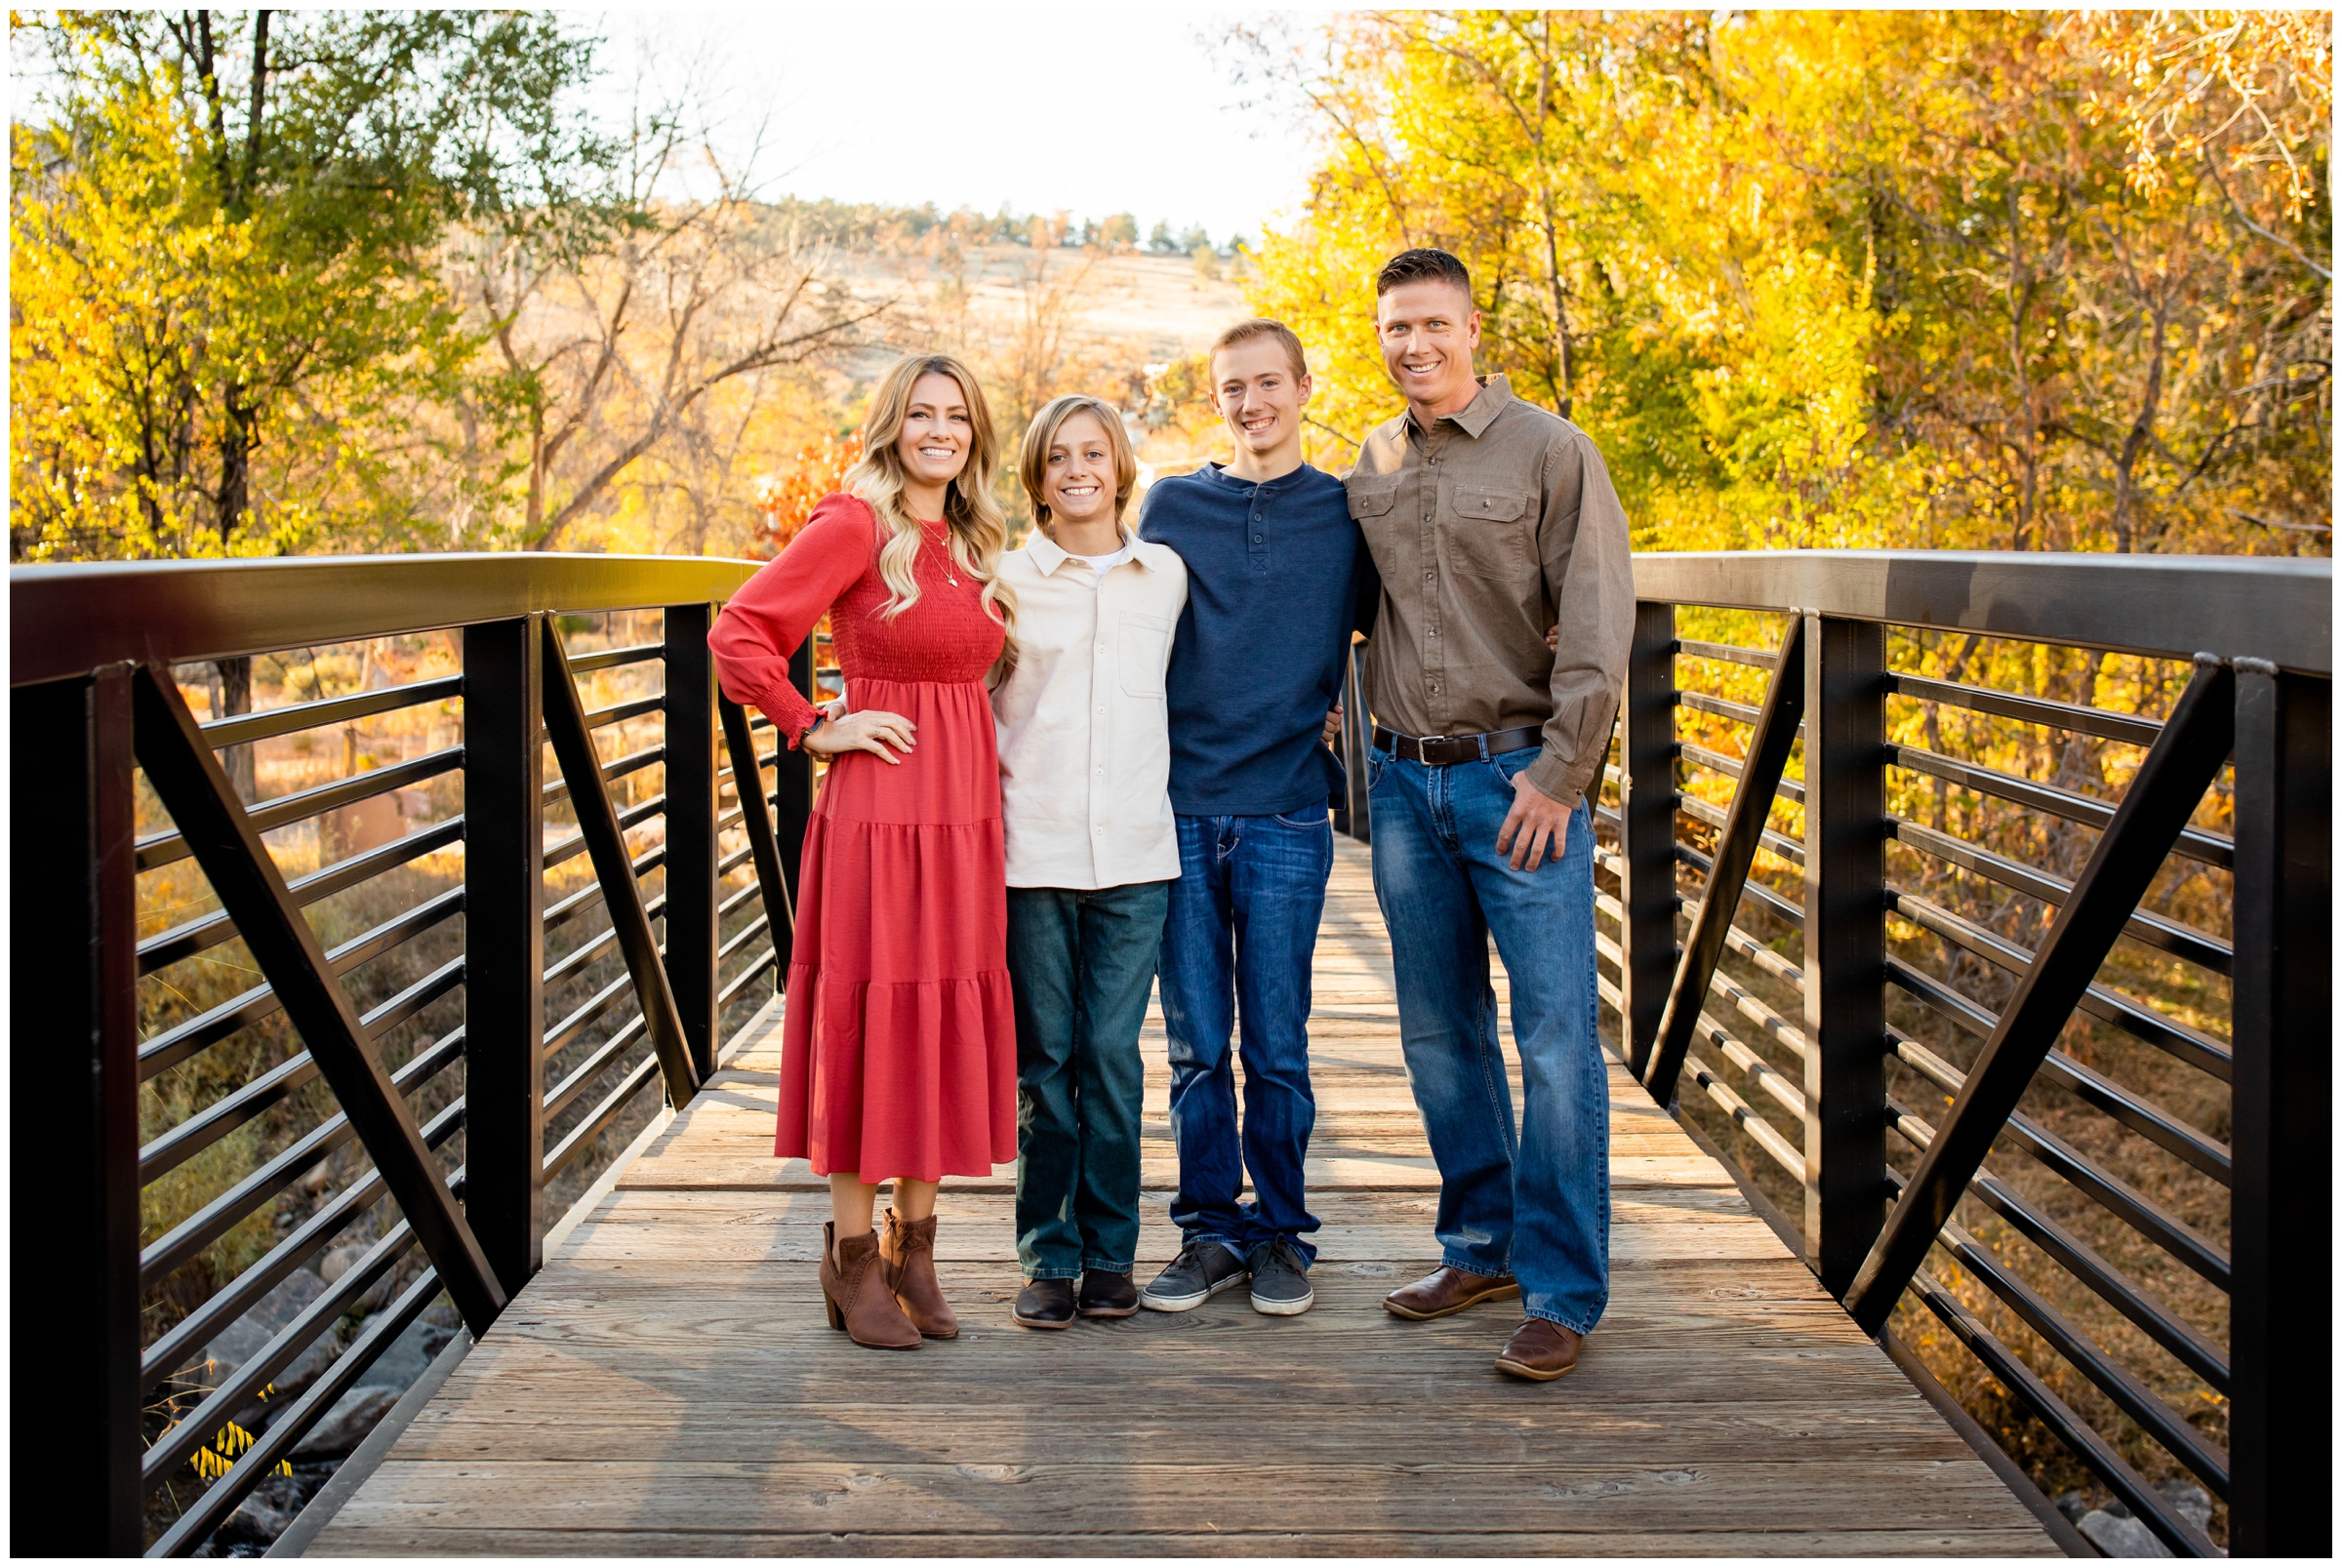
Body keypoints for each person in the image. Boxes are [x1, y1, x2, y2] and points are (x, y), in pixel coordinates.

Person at [1344, 248, 1634, 1382]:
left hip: (1519, 783)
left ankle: (1563, 1289)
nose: (1413, 345)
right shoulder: (1366, 463)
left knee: (1555, 1041)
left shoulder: (1553, 451)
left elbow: (1598, 624)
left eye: (1431, 324)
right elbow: (1347, 610)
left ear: (1472, 327)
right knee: (1438, 1034)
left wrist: (1561, 777)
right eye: (1393, 329)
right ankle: (1482, 1245)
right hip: (1405, 788)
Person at [707, 352, 1019, 1351]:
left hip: (964, 811)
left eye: (957, 416)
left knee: (936, 1009)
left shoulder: (975, 537)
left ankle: (914, 1249)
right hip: (881, 812)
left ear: (974, 433)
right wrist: (811, 723)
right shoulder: (854, 524)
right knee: (875, 1010)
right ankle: (849, 1255)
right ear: (893, 425)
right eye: (921, 414)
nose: (940, 431)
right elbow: (740, 633)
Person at [1134, 319, 1377, 1317]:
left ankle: (1281, 1233)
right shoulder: (1173, 505)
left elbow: (1415, 615)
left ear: (1306, 387)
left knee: (1277, 1040)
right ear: (1217, 399)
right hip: (1179, 807)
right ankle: (1208, 1232)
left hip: (1287, 811)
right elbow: (1112, 618)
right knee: (1195, 1043)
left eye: (1269, 382)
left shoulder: (1349, 514)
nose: (1251, 403)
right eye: (1233, 387)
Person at [990, 395, 1190, 1330]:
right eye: (1059, 456)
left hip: (1137, 855)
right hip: (1031, 851)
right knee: (1046, 1063)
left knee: (1112, 1057)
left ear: (1120, 466)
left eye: (1095, 452)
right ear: (1036, 477)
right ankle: (1048, 1254)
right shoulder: (1005, 580)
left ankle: (1112, 1255)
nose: (1079, 469)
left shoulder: (1167, 575)